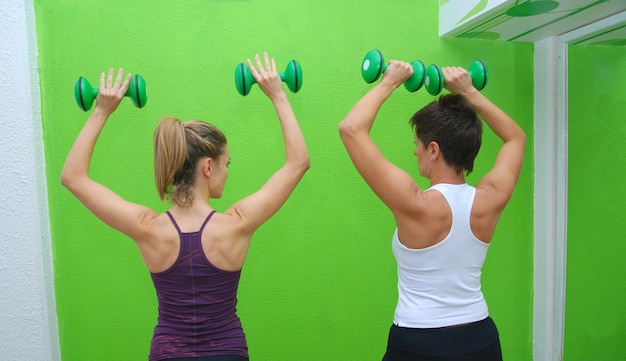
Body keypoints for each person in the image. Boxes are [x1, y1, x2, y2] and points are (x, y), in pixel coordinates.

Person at [61, 53, 310, 361]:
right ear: (208, 167)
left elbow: (72, 177)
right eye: (226, 164)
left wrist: (101, 110)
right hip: (227, 353)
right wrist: (278, 94)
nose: (228, 172)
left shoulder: (147, 227)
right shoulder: (237, 223)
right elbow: (298, 162)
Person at [338, 61, 525, 361]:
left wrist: (390, 81)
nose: (415, 151)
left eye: (418, 144)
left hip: (419, 343)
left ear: (434, 150)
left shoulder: (416, 204)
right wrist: (468, 91)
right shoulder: (491, 197)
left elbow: (351, 129)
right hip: (480, 339)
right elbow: (515, 137)